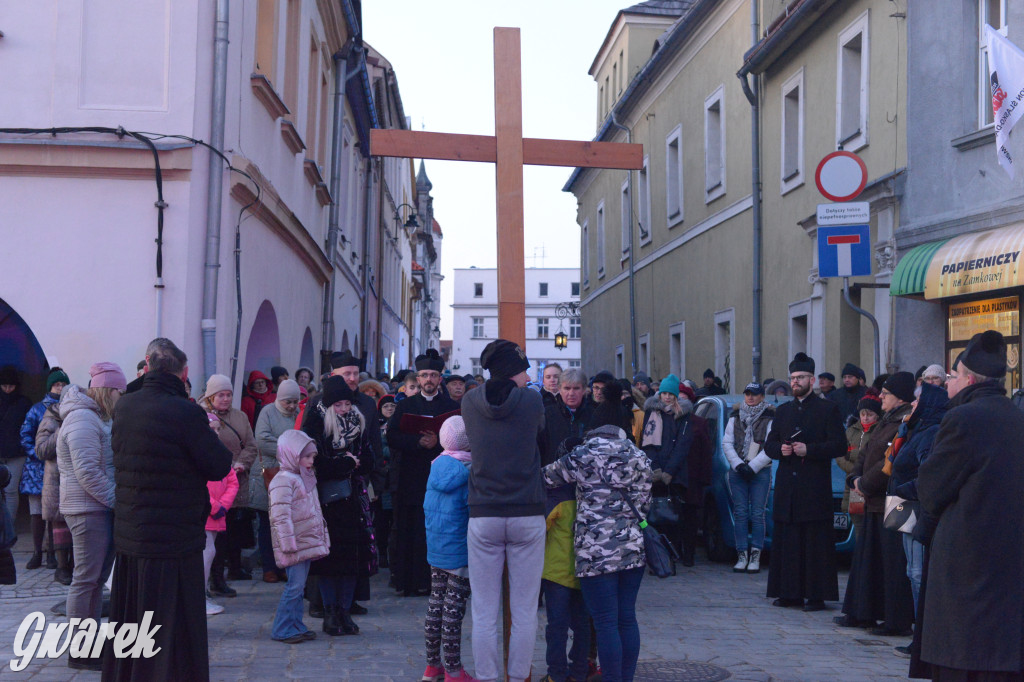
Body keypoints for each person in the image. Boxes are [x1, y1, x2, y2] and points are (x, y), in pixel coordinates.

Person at [106, 338, 233, 681]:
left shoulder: (125, 407)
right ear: (184, 373)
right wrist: (211, 433)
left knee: (133, 619)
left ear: (147, 366)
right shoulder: (187, 412)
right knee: (170, 623)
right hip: (174, 537)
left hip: (134, 532)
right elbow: (219, 465)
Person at [917, 331, 1024, 681]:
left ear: (968, 379)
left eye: (952, 375)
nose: (947, 383)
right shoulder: (1016, 416)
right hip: (1010, 558)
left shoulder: (963, 419)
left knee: (964, 653)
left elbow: (931, 489)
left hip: (966, 560)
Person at [461, 339, 547, 682]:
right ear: (513, 371)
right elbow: (543, 440)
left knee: (483, 611)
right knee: (525, 611)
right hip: (526, 509)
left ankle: (487, 677)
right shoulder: (532, 401)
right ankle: (519, 676)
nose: (527, 377)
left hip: (484, 511)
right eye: (523, 370)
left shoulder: (468, 401)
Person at [543, 418, 652, 682]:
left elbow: (546, 477)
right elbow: (646, 505)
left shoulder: (582, 454)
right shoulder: (640, 457)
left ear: (593, 436)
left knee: (605, 623)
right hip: (632, 549)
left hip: (595, 553)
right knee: (627, 618)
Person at [763, 352, 846, 611]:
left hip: (813, 488)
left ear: (812, 379)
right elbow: (769, 444)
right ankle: (789, 593)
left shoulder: (828, 409)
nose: (795, 381)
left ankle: (815, 595)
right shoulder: (783, 411)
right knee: (788, 542)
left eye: (800, 377)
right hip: (788, 487)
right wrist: (781, 450)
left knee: (814, 543)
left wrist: (809, 450)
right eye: (793, 378)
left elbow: (839, 445)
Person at [835, 372, 915, 636]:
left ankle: (895, 620)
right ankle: (863, 612)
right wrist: (855, 477)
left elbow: (889, 462)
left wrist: (866, 484)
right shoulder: (885, 420)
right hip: (873, 502)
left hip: (896, 502)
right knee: (868, 561)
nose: (880, 397)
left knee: (893, 563)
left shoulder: (906, 421)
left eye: (886, 394)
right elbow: (867, 452)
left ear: (900, 397)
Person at [56, 363, 125, 670]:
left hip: (97, 507)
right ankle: (80, 650)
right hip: (88, 509)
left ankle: (90, 644)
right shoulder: (82, 418)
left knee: (95, 581)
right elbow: (87, 472)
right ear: (108, 391)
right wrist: (116, 501)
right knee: (86, 580)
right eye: (119, 392)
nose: (121, 397)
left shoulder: (94, 416)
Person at [302, 376, 378, 636]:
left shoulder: (358, 422)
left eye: (348, 403)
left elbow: (369, 458)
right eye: (339, 404)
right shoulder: (316, 423)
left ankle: (345, 611)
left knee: (351, 560)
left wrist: (353, 462)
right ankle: (330, 612)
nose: (345, 409)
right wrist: (347, 463)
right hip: (327, 501)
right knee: (329, 560)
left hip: (354, 499)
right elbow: (317, 463)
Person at [387, 349, 459, 596]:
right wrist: (418, 443)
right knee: (411, 526)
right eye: (424, 375)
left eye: (433, 375)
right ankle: (408, 580)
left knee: (438, 528)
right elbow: (393, 436)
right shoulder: (406, 405)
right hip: (411, 475)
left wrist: (437, 442)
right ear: (417, 379)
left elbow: (461, 438)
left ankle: (434, 581)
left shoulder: (452, 406)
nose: (429, 379)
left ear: (440, 378)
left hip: (442, 477)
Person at [421, 417, 478, 682]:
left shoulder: (437, 465)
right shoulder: (469, 470)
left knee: (435, 604)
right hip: (459, 548)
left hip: (437, 546)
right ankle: (454, 670)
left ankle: (433, 666)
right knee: (454, 610)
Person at [889, 382, 948, 627]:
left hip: (915, 503)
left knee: (917, 572)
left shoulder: (931, 431)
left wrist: (902, 490)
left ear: (928, 404)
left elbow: (927, 471)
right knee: (909, 570)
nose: (912, 404)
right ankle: (916, 629)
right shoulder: (915, 428)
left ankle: (922, 634)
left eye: (917, 400)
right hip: (902, 503)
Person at [268, 429, 329, 643]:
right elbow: (280, 516)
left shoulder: (303, 476)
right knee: (294, 587)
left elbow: (314, 510)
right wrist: (287, 543)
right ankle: (282, 628)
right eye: (307, 456)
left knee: (299, 587)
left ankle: (295, 624)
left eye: (313, 456)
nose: (311, 461)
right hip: (293, 543)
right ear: (291, 454)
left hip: (304, 541)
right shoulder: (283, 480)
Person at [201, 374, 258, 595]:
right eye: (221, 395)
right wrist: (228, 464)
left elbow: (252, 445)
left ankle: (226, 574)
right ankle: (214, 578)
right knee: (214, 536)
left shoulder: (240, 417)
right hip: (215, 483)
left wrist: (242, 464)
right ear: (210, 397)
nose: (225, 399)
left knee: (231, 531)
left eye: (229, 395)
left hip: (236, 481)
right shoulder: (202, 416)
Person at [252, 379, 301, 583]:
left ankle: (284, 564)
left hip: (291, 475)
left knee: (287, 524)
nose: (290, 406)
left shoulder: (299, 414)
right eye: (287, 402)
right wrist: (291, 451)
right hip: (270, 474)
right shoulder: (267, 412)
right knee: (267, 523)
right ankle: (269, 567)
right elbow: (262, 440)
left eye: (294, 402)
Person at [19, 367, 69, 570]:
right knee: (37, 512)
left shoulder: (69, 408)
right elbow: (25, 433)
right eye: (57, 385)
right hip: (36, 469)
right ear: (50, 387)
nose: (60, 388)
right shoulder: (37, 409)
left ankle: (52, 553)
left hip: (58, 468)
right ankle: (37, 552)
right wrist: (36, 454)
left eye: (64, 384)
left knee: (54, 513)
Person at [722, 382, 774, 573]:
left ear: (762, 396)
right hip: (738, 470)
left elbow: (770, 447)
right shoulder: (735, 416)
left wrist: (752, 467)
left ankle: (756, 555)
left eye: (755, 394)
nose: (751, 397)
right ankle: (741, 554)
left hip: (760, 471)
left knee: (758, 513)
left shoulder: (770, 417)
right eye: (748, 394)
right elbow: (727, 442)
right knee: (740, 513)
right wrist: (738, 464)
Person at [34, 388, 73, 585]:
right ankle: (62, 567)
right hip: (56, 480)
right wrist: (61, 430)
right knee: (59, 524)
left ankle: (74, 565)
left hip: (76, 479)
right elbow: (41, 450)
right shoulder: (51, 417)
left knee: (77, 525)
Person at [203, 413, 238, 617]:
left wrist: (223, 505)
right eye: (211, 428)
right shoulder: (197, 452)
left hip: (218, 514)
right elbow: (196, 484)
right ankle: (200, 597)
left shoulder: (221, 452)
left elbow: (232, 480)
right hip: (205, 514)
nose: (215, 432)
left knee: (210, 555)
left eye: (218, 429)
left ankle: (204, 594)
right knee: (205, 556)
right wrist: (214, 506)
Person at [836, 389, 883, 536]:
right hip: (852, 486)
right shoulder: (851, 431)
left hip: (870, 485)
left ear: (877, 415)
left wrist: (853, 456)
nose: (866, 418)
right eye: (863, 414)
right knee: (858, 523)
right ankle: (859, 556)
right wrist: (855, 469)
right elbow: (840, 454)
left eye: (870, 414)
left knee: (872, 525)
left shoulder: (879, 431)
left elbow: (874, 457)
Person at [539, 368, 594, 466]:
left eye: (576, 388)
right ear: (559, 389)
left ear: (584, 390)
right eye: (567, 388)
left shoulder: (594, 415)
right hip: (554, 474)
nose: (571, 393)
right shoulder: (547, 414)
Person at [0, 365, 32, 522]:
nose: (7, 389)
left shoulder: (24, 403)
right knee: (10, 492)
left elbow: (29, 428)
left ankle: (9, 527)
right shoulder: (24, 403)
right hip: (14, 452)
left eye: (10, 386)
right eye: (4, 386)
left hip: (16, 454)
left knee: (11, 491)